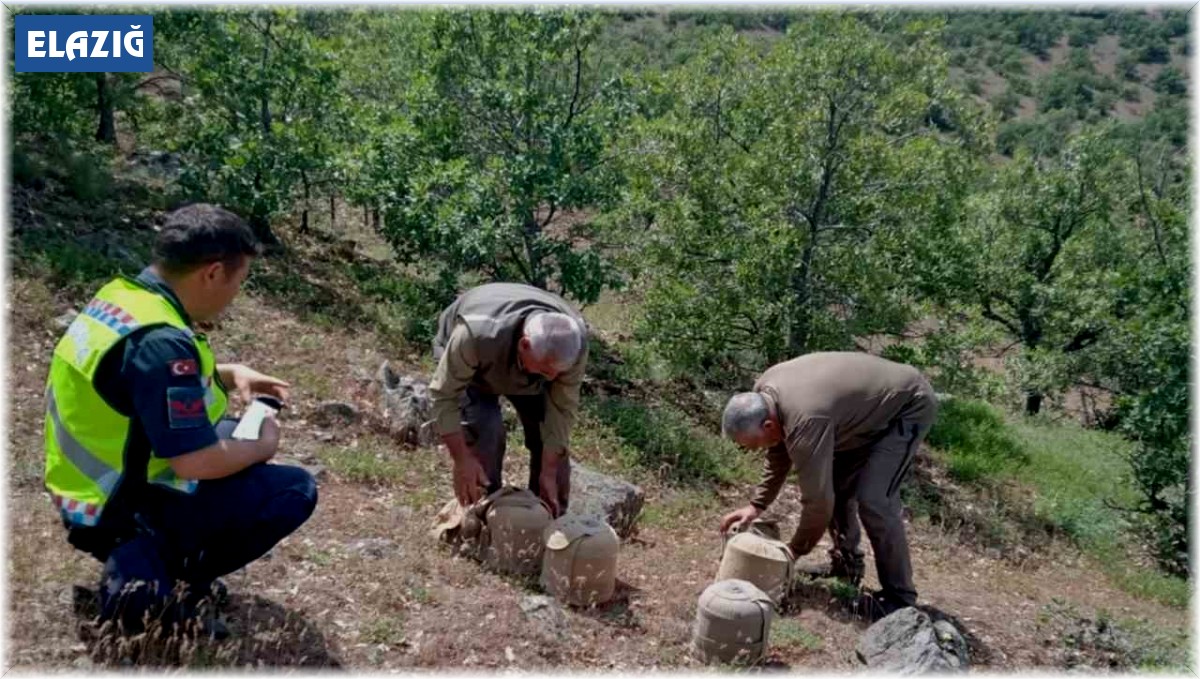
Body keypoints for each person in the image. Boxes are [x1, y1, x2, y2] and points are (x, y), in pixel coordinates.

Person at [43, 204, 318, 635]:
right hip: (119, 506)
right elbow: (194, 462)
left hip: (86, 484)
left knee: (230, 437)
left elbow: (131, 383)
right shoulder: (163, 343)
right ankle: (160, 575)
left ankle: (148, 561)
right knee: (294, 489)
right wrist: (263, 445)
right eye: (239, 281)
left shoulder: (124, 300)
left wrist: (232, 374)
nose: (236, 295)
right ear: (212, 273)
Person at [717, 352, 938, 620]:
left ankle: (899, 598)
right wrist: (756, 506)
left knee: (875, 500)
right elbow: (778, 451)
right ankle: (846, 566)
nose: (753, 451)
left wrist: (792, 551)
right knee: (839, 487)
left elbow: (818, 503)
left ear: (767, 423)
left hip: (906, 405)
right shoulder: (763, 395)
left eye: (753, 445)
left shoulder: (806, 420)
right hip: (859, 414)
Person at [429, 282, 588, 517]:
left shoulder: (573, 344)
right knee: (485, 432)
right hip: (476, 367)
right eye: (547, 370)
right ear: (525, 344)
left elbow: (561, 410)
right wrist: (462, 460)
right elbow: (445, 396)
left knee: (553, 451)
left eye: (558, 373)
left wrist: (549, 470)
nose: (553, 377)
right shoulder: (474, 335)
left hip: (526, 365)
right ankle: (480, 519)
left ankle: (548, 520)